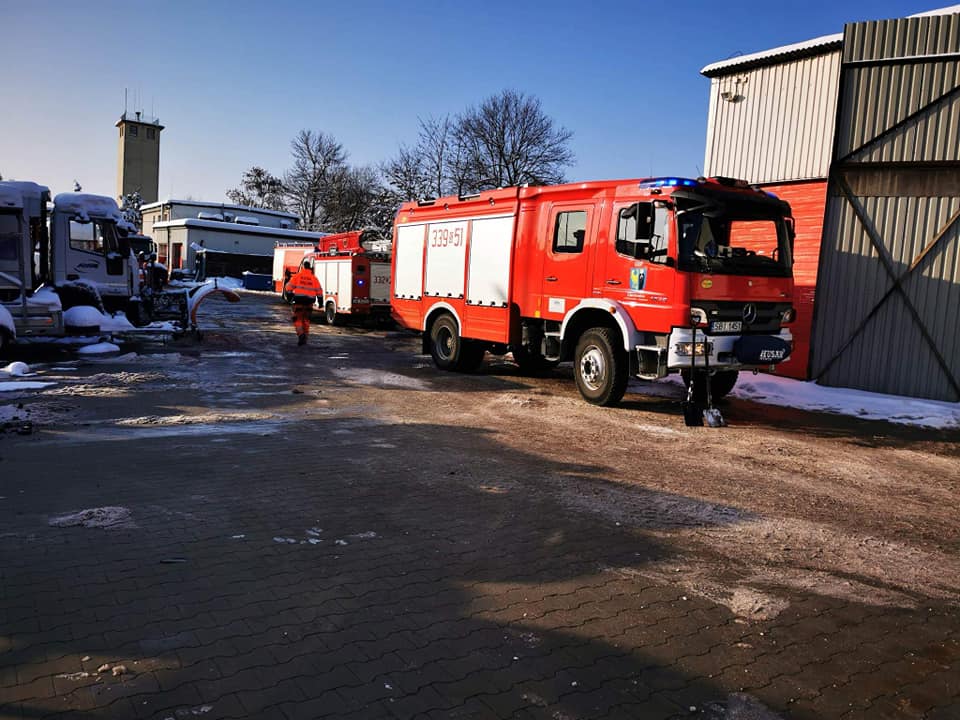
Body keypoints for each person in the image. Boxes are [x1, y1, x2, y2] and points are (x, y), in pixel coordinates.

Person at [284, 256, 322, 345]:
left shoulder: (297, 276)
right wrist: (320, 302)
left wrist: (289, 295)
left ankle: (301, 335)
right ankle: (305, 339)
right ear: (310, 268)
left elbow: (288, 288)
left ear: (303, 267)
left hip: (299, 302)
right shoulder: (314, 278)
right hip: (309, 303)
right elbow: (319, 291)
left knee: (298, 319)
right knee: (306, 320)